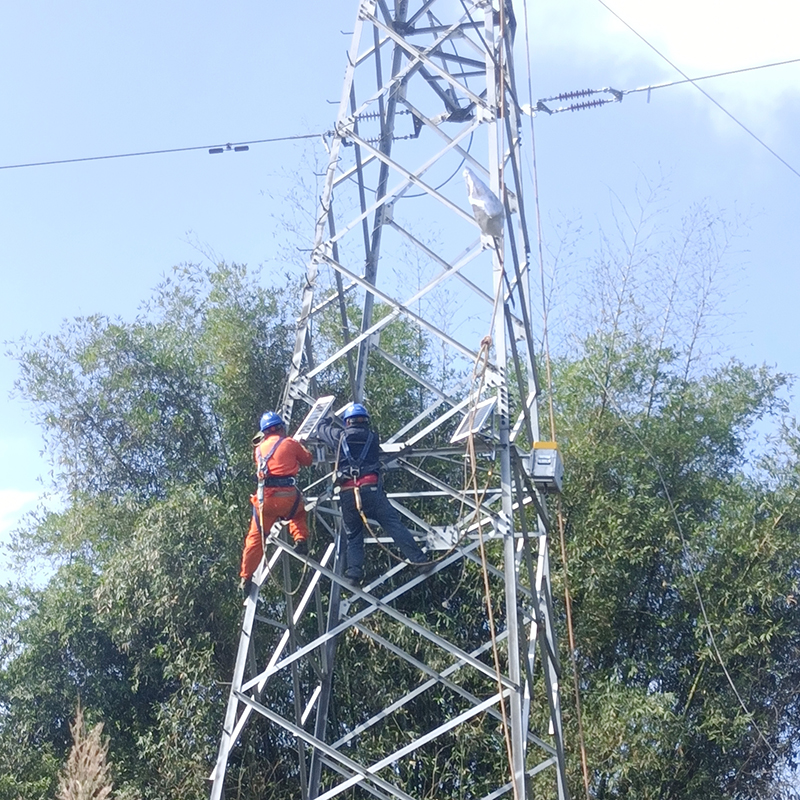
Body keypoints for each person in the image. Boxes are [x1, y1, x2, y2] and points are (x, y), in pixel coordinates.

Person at [316, 402, 429, 584]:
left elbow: (321, 429)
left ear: (347, 422)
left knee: (353, 534)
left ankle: (353, 574)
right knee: (393, 525)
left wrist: (326, 418)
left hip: (348, 493)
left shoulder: (339, 437)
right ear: (366, 421)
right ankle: (419, 561)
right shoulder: (373, 438)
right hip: (372, 490)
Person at [239, 411, 313, 593]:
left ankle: (246, 577)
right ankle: (300, 539)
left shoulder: (259, 449)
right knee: (298, 513)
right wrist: (303, 448)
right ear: (281, 427)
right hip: (288, 497)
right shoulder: (290, 443)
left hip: (266, 501)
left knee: (255, 539)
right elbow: (308, 460)